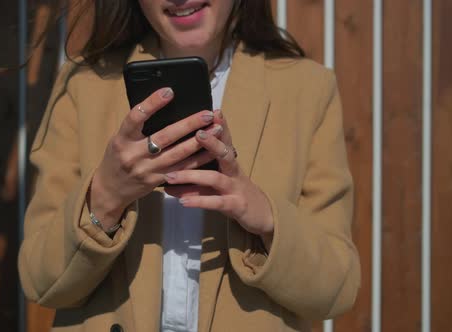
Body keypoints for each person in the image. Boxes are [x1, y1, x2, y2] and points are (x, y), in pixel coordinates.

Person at [18, 1, 361, 331]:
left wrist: (266, 218)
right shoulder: (82, 85)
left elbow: (335, 292)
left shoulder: (308, 89)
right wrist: (105, 197)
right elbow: (41, 283)